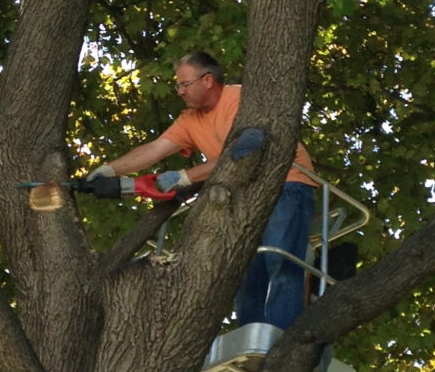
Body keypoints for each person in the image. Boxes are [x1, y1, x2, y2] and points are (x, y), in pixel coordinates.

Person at [85, 51, 316, 331]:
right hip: (244, 195)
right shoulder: (190, 120)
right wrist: (111, 170)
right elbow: (155, 149)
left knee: (280, 260)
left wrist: (185, 176)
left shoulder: (241, 100)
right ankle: (250, 343)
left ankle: (281, 341)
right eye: (178, 86)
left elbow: (242, 154)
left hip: (288, 184)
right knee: (243, 272)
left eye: (184, 84)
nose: (180, 91)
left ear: (207, 80)